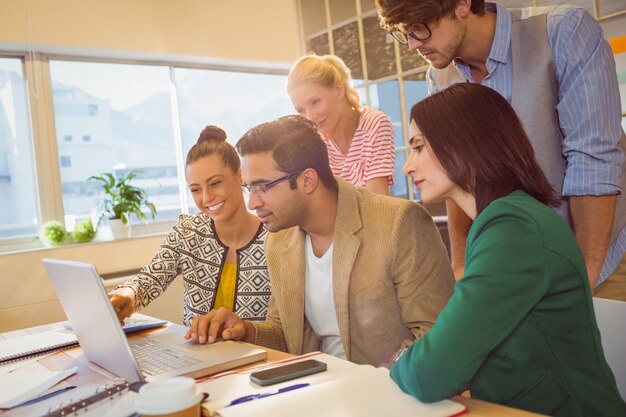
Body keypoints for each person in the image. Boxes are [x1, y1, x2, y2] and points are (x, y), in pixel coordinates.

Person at [390, 83, 626, 417]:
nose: (408, 167)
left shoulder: (513, 229)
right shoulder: (505, 220)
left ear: (464, 141)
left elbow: (432, 372)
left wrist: (401, 361)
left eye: (418, 147)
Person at [375, 0, 626, 299]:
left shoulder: (563, 32)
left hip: (603, 257)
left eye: (420, 27)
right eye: (405, 33)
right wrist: (461, 267)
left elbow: (592, 162)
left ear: (462, 4)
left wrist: (580, 281)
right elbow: (456, 175)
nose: (413, 44)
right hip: (521, 270)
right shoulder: (440, 78)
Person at [184, 115, 455, 366]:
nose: (253, 202)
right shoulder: (278, 241)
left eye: (262, 187)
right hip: (316, 393)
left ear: (307, 180)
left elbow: (439, 341)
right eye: (249, 188)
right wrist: (247, 330)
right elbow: (286, 332)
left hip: (393, 394)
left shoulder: (398, 223)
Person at [109, 126, 271, 326]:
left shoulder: (274, 240)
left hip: (263, 356)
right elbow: (149, 279)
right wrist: (129, 292)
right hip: (197, 354)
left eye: (215, 183)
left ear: (240, 175)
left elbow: (282, 327)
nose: (206, 198)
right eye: (195, 189)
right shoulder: (187, 232)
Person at [287, 54, 395, 196]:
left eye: (315, 102)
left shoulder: (374, 124)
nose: (310, 117)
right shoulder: (317, 143)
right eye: (301, 110)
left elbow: (377, 203)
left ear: (339, 90)